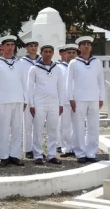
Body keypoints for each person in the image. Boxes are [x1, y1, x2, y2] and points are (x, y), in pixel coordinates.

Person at [0, 35, 26, 167]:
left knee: (17, 129)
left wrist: (25, 98)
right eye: (7, 45)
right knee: (3, 130)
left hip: (18, 99)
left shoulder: (19, 63)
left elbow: (23, 82)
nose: (10, 48)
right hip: (3, 100)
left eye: (12, 45)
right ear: (2, 47)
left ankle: (14, 155)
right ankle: (4, 156)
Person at [67, 36, 105, 164]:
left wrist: (101, 97)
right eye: (83, 44)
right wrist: (70, 98)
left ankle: (91, 152)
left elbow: (100, 81)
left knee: (93, 126)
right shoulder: (74, 63)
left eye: (88, 44)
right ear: (79, 47)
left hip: (94, 98)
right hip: (79, 99)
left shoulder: (97, 62)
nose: (86, 46)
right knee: (78, 126)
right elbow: (68, 82)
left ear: (91, 47)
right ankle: (80, 152)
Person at [27, 44, 65, 165]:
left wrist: (61, 103)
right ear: (41, 53)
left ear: (52, 53)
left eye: (50, 52)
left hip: (54, 102)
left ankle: (51, 154)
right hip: (39, 102)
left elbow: (61, 87)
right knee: (37, 129)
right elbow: (30, 87)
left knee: (52, 129)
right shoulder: (34, 68)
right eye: (46, 52)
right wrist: (31, 104)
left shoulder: (57, 68)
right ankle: (37, 154)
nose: (48, 54)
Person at [19, 38, 41, 159]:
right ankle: (28, 149)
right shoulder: (22, 62)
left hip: (39, 95)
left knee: (38, 124)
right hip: (26, 94)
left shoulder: (41, 60)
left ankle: (37, 148)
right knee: (27, 123)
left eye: (35, 45)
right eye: (30, 45)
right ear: (26, 48)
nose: (33, 48)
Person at [58, 44, 78, 158]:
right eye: (68, 53)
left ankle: (77, 147)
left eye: (73, 53)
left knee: (77, 125)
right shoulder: (59, 67)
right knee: (65, 125)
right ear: (64, 54)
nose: (71, 55)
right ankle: (66, 148)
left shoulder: (79, 66)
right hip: (65, 100)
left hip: (78, 99)